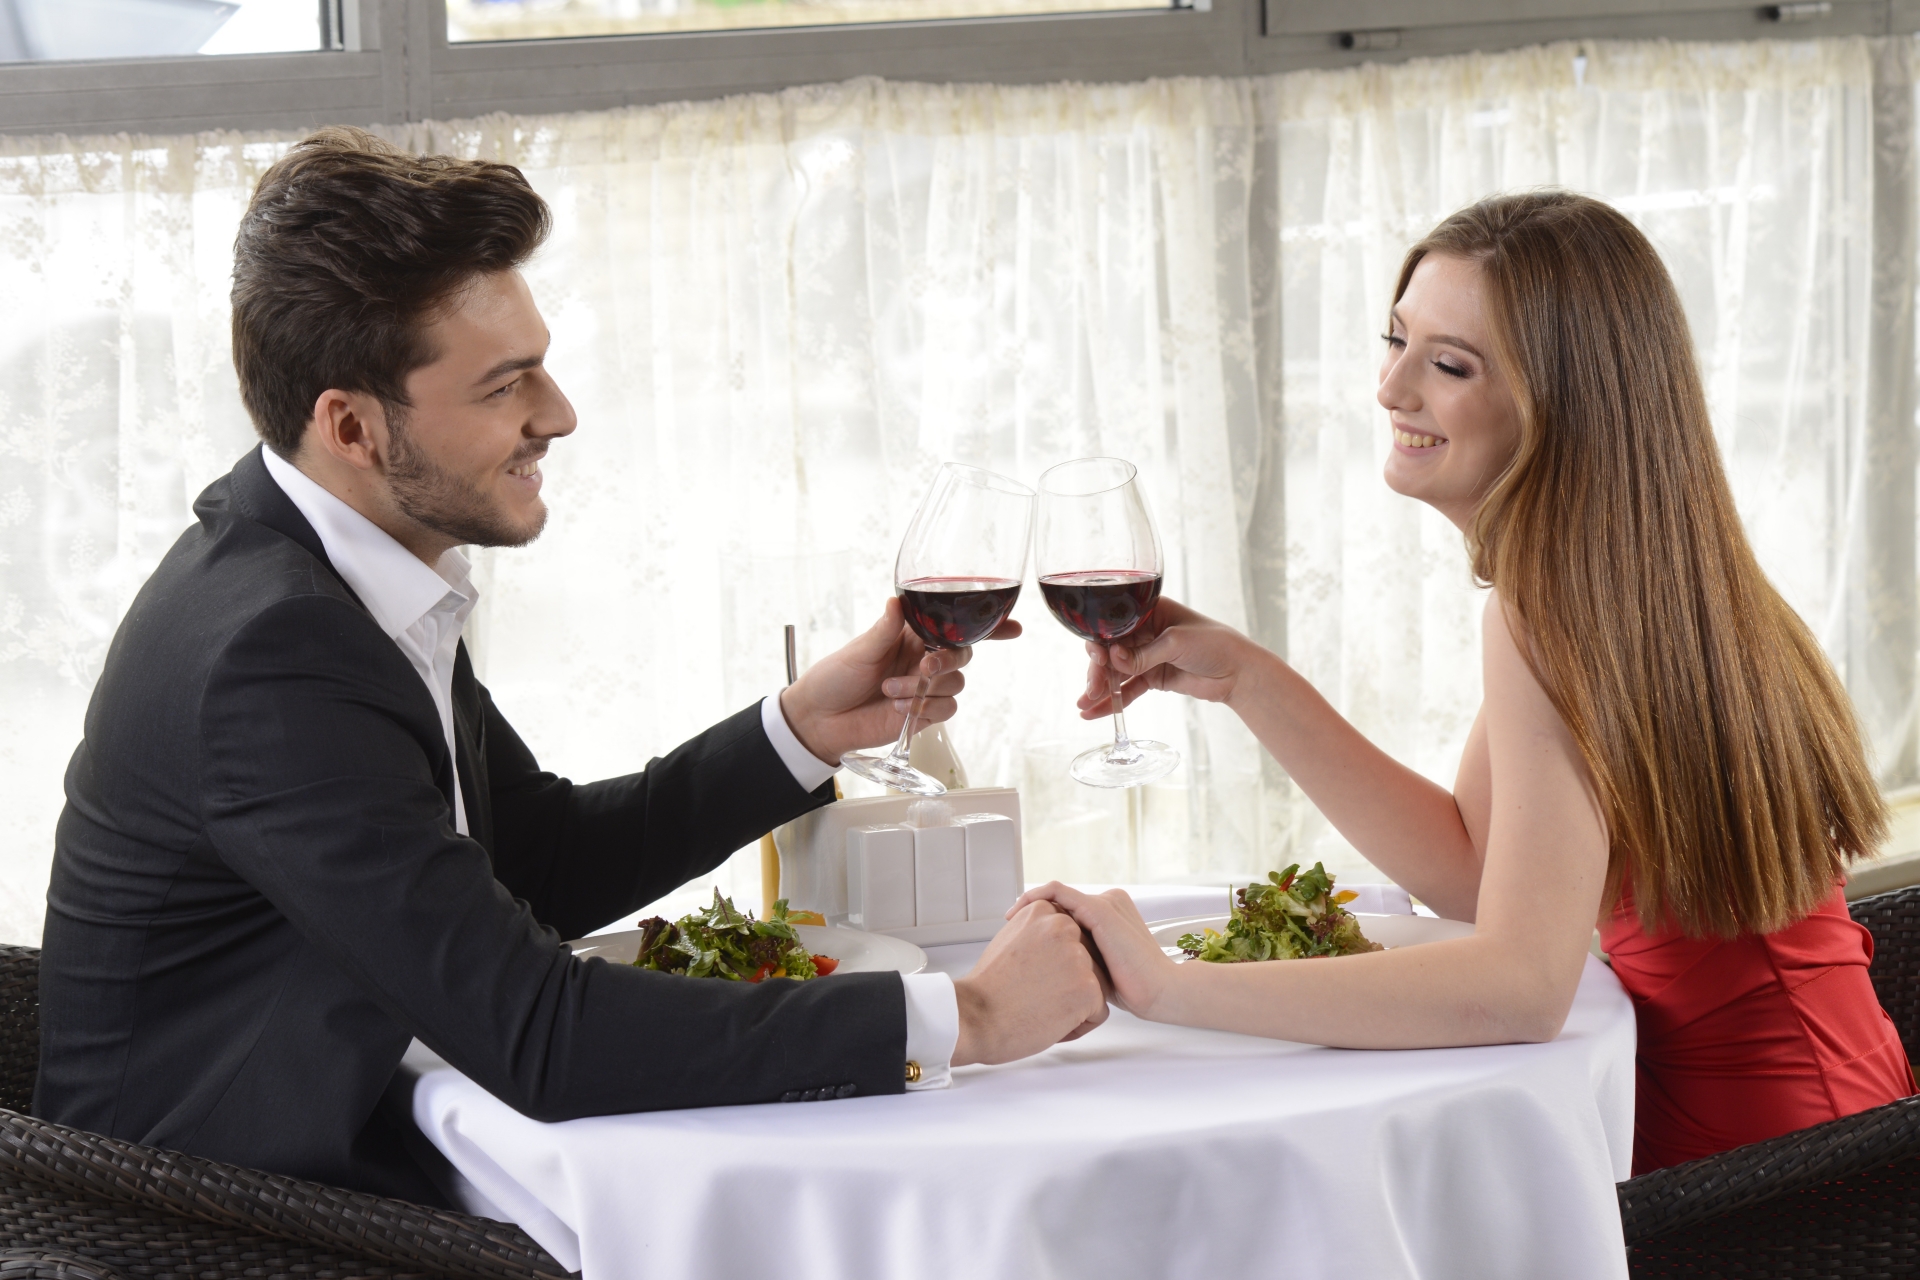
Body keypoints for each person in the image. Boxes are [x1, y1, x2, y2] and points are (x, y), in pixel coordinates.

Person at [34, 127, 1106, 1207]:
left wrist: (800, 731)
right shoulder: (277, 654)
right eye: (507, 385)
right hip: (230, 1221)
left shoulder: (336, 571)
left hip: (360, 1147)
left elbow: (530, 861)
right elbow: (542, 1036)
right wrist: (968, 1018)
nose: (558, 414)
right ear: (352, 427)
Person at [1022, 190, 1914, 1175]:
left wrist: (1166, 988)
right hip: (1842, 1137)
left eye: (1448, 365)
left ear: (1561, 404)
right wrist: (1246, 679)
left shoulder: (1553, 612)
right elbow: (1483, 878)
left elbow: (1517, 987)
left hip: (1758, 1187)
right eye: (1395, 339)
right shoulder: (1641, 579)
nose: (1390, 387)